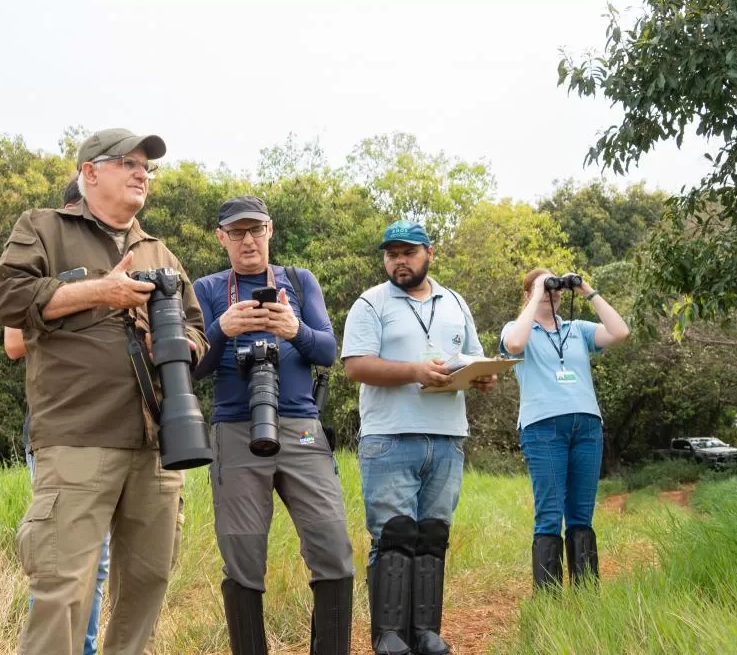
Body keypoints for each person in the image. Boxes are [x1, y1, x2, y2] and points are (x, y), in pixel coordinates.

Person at [0, 128, 208, 655]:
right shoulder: (43, 228)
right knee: (63, 589)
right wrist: (99, 291)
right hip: (77, 438)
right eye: (128, 163)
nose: (142, 174)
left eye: (147, 167)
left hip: (159, 444)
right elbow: (9, 299)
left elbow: (199, 331)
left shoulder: (158, 250)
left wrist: (176, 345)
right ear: (90, 173)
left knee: (147, 584)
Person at [192, 195, 353, 655]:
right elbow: (193, 368)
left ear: (270, 231)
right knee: (243, 562)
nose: (248, 241)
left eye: (255, 230)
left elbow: (327, 351)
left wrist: (292, 329)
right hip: (236, 430)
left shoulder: (300, 283)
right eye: (237, 233)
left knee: (333, 551)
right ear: (222, 238)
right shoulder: (206, 289)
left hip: (302, 426)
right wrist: (222, 327)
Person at [341, 220, 496, 655]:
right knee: (394, 534)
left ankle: (425, 632)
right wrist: (413, 371)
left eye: (407, 252)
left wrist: (481, 377)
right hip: (389, 436)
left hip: (447, 437)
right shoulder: (370, 303)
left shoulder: (455, 301)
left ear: (429, 253)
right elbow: (355, 365)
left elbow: (472, 355)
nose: (399, 261)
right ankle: (389, 636)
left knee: (431, 534)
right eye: (391, 254)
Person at [499, 269, 629, 591]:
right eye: (544, 287)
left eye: (556, 286)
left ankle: (586, 599)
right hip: (543, 429)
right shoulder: (517, 329)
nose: (553, 291)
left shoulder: (577, 330)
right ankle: (550, 602)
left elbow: (620, 331)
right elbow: (514, 344)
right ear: (527, 294)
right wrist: (537, 293)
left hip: (586, 427)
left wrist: (585, 289)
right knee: (550, 514)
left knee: (581, 516)